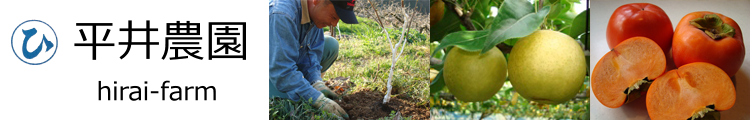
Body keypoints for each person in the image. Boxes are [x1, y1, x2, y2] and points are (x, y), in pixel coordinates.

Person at [269, 0, 358, 118]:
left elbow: (311, 54)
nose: (334, 24)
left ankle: (304, 88)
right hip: (272, 69)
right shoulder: (282, 14)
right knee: (290, 100)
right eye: (333, 17)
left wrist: (316, 82)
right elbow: (282, 71)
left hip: (283, 62)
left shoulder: (314, 14)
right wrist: (315, 99)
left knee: (330, 45)